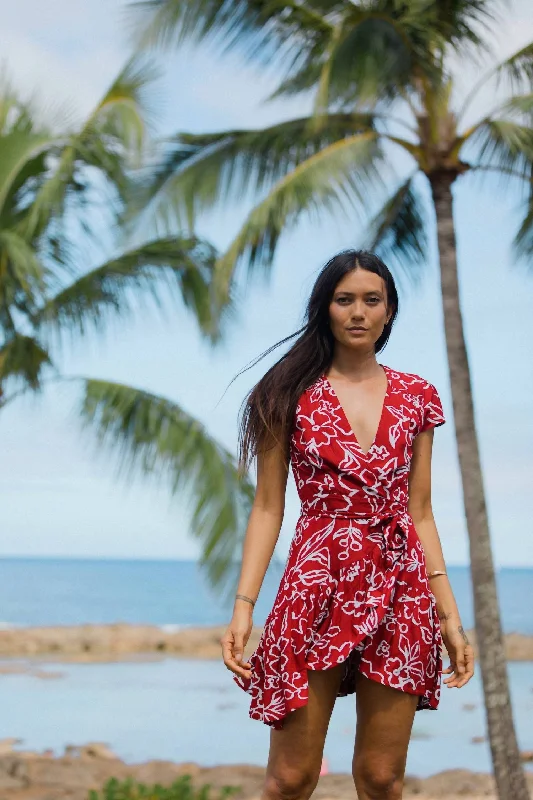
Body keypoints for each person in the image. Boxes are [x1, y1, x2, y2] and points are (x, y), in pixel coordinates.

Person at [220, 250, 475, 800]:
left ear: (389, 312)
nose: (358, 312)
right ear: (325, 309)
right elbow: (267, 507)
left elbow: (421, 511)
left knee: (382, 779)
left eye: (371, 299)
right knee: (290, 779)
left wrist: (450, 617)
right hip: (316, 583)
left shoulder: (417, 397)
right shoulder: (285, 394)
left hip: (401, 588)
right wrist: (244, 606)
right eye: (344, 299)